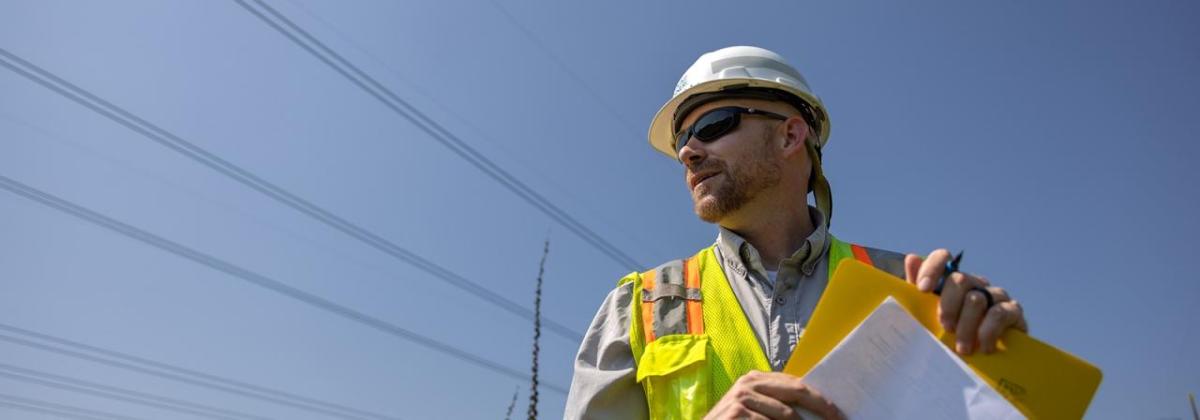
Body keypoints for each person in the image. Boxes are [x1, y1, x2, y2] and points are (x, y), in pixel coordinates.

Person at [563, 46, 1029, 420]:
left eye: (710, 125)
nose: (689, 152)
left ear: (790, 136)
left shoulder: (909, 290)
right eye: (682, 141)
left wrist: (1003, 362)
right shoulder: (639, 308)